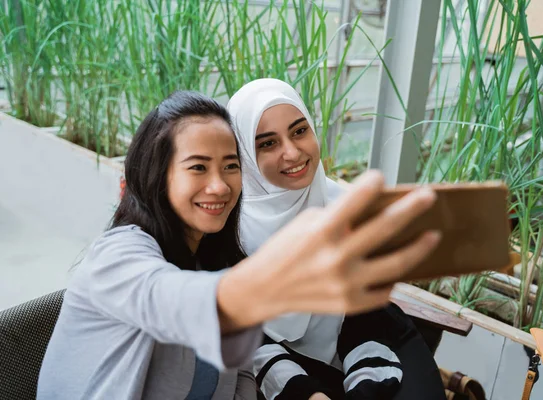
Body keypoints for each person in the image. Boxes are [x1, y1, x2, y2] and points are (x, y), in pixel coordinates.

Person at [37, 90, 441, 399]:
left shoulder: (213, 256)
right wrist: (277, 278)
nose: (219, 185)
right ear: (156, 175)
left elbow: (240, 377)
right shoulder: (118, 256)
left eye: (231, 166)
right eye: (198, 167)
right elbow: (176, 301)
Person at [227, 78, 447, 400]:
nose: (292, 152)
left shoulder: (344, 204)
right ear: (245, 155)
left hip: (374, 333)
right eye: (268, 143)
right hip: (280, 363)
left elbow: (363, 312)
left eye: (300, 131)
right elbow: (251, 341)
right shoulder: (231, 232)